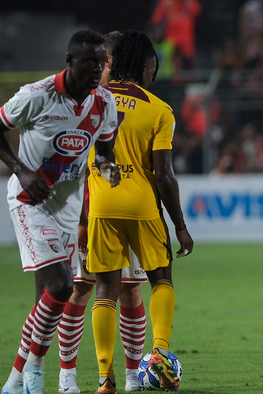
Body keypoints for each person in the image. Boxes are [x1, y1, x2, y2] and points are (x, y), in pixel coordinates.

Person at [0, 30, 121, 394]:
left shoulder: (104, 104)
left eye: (100, 64)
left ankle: (14, 381)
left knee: (46, 301)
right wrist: (20, 169)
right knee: (63, 285)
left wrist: (107, 164)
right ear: (69, 62)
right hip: (30, 201)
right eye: (89, 63)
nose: (96, 70)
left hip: (69, 208)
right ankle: (36, 372)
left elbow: (104, 146)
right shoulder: (35, 96)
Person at [87, 30, 193, 394]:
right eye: (153, 69)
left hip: (101, 204)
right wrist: (179, 225)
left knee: (105, 289)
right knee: (161, 278)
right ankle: (160, 354)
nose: (153, 75)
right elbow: (164, 175)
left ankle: (105, 379)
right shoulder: (158, 109)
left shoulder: (92, 100)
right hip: (142, 205)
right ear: (145, 66)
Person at [56, 31, 147, 394]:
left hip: (122, 212)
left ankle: (132, 377)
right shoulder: (81, 101)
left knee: (130, 291)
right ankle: (67, 378)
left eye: (108, 63)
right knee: (80, 289)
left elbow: (112, 161)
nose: (106, 69)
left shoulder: (122, 105)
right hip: (85, 212)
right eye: (105, 63)